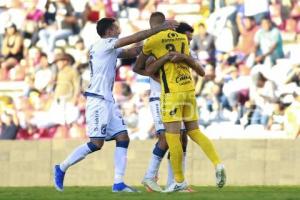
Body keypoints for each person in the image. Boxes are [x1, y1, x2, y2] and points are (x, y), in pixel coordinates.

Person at [53, 17, 178, 192]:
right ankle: (62, 167)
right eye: (116, 26)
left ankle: (118, 183)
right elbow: (134, 38)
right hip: (97, 100)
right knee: (96, 143)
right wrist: (161, 29)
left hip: (107, 100)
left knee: (123, 138)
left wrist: (156, 46)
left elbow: (131, 52)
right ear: (110, 31)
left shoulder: (107, 48)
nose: (119, 28)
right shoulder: (104, 44)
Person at [136, 12, 226, 192]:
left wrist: (162, 64)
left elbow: (139, 67)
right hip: (186, 91)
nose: (190, 40)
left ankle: (177, 180)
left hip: (171, 94)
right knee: (189, 133)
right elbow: (197, 69)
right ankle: (217, 164)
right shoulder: (182, 41)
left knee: (174, 137)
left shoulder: (153, 42)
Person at [134, 22, 196, 192]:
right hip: (160, 97)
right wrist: (165, 81)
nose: (188, 41)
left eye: (190, 39)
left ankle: (175, 182)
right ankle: (150, 176)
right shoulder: (158, 47)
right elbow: (143, 68)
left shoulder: (184, 49)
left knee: (182, 139)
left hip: (177, 98)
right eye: (187, 38)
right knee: (168, 139)